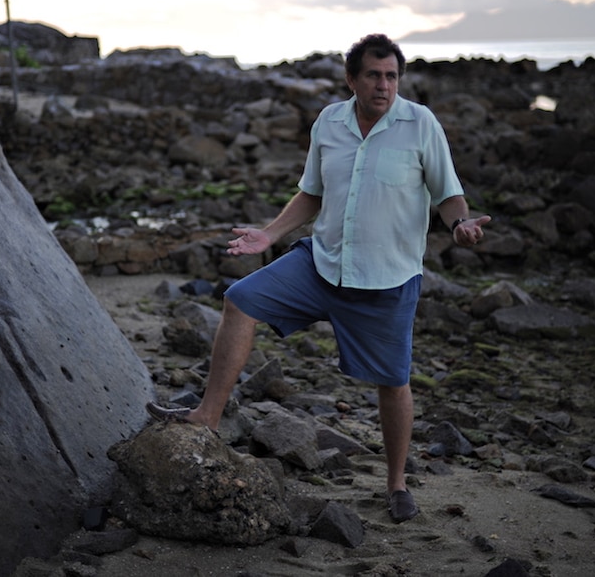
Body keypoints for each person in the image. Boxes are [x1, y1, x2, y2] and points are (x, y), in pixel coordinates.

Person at [147, 33, 490, 523]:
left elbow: (448, 192)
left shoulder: (421, 124)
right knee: (240, 299)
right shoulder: (330, 121)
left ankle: (395, 484)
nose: (384, 85)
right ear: (352, 79)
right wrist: (269, 235)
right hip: (323, 262)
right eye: (373, 75)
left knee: (393, 383)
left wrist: (459, 225)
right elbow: (311, 193)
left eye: (392, 76)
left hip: (387, 281)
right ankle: (208, 415)